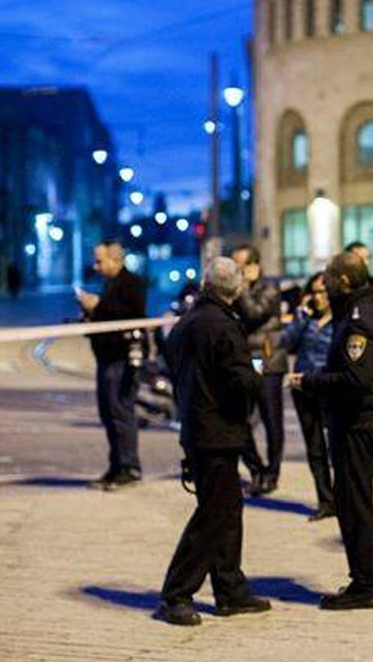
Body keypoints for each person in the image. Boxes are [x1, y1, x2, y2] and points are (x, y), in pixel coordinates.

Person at [156, 257, 271, 626]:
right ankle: (177, 593)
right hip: (218, 430)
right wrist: (259, 375)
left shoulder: (187, 322)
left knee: (226, 510)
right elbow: (239, 379)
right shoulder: (223, 326)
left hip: (197, 426)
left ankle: (230, 589)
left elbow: (172, 364)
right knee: (213, 516)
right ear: (235, 290)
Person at [287, 253, 373, 610]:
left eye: (329, 278)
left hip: (355, 423)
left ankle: (365, 582)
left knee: (352, 504)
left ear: (344, 281)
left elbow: (357, 379)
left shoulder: (358, 322)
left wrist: (310, 381)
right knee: (358, 500)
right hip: (365, 421)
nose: (324, 284)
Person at [77, 241, 147, 490]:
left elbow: (131, 315)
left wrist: (98, 305)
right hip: (106, 357)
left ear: (115, 260)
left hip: (122, 358)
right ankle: (116, 465)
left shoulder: (132, 283)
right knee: (108, 413)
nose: (96, 266)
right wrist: (88, 312)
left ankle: (129, 467)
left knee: (120, 412)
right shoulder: (109, 283)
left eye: (100, 261)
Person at [279, 273, 336, 521]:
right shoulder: (305, 318)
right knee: (315, 448)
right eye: (314, 291)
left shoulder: (342, 321)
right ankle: (325, 500)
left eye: (323, 291)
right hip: (303, 387)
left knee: (337, 447)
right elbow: (287, 343)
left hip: (330, 387)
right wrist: (300, 317)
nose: (318, 297)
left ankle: (343, 498)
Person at [230, 244, 285, 497]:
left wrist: (240, 291)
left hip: (267, 359)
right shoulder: (237, 291)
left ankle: (272, 473)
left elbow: (253, 314)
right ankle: (256, 469)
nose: (235, 272)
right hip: (245, 359)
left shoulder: (269, 287)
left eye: (239, 266)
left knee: (272, 419)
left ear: (253, 266)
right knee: (239, 419)